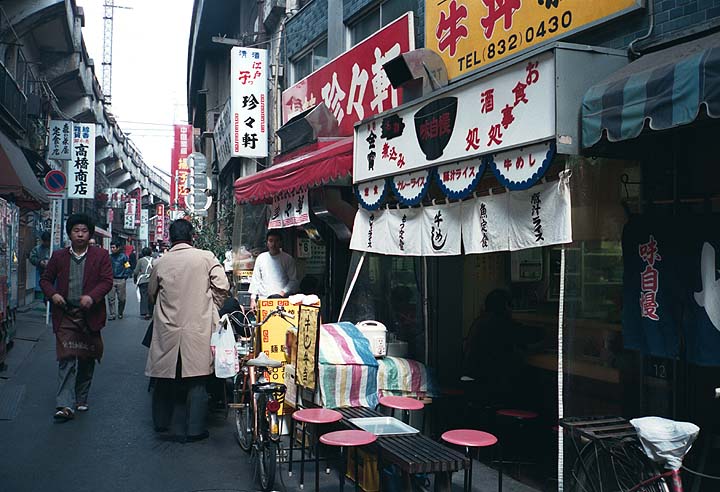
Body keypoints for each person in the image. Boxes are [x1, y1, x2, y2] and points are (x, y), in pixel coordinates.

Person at [145, 219, 229, 442]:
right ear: (192, 236)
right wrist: (211, 306)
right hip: (198, 324)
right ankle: (195, 429)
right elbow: (222, 286)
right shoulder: (206, 257)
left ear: (170, 237)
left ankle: (162, 424)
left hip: (168, 325)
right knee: (197, 378)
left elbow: (151, 293)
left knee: (163, 375)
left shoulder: (161, 262)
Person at [40, 213, 113, 421]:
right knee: (66, 358)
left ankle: (81, 397)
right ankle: (64, 404)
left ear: (90, 234)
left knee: (87, 357)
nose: (80, 235)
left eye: (84, 231)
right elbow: (46, 280)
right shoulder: (59, 256)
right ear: (69, 234)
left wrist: (92, 297)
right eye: (76, 231)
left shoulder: (100, 255)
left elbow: (107, 281)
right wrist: (53, 295)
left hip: (90, 316)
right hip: (66, 314)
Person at [248, 230, 298, 309]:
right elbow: (256, 279)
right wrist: (253, 299)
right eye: (271, 241)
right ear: (267, 243)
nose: (273, 244)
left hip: (282, 301)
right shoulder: (261, 258)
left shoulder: (288, 259)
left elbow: (293, 280)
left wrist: (283, 292)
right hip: (264, 300)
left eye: (276, 241)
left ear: (280, 243)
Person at [108, 240, 131, 320]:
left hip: (121, 280)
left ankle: (120, 312)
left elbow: (127, 267)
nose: (112, 249)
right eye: (111, 247)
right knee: (111, 298)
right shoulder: (109, 257)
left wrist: (125, 276)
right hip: (111, 279)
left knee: (122, 299)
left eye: (113, 247)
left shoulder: (124, 257)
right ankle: (112, 314)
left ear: (118, 248)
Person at [133, 247, 154, 320]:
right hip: (152, 280)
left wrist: (135, 279)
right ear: (150, 253)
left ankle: (145, 312)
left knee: (144, 296)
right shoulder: (154, 260)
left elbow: (136, 272)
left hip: (143, 281)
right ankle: (150, 312)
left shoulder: (140, 260)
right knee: (151, 297)